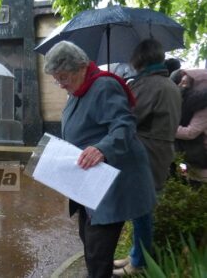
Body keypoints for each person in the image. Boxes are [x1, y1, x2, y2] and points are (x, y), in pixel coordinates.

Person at [43, 41, 156, 278]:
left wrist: (102, 148)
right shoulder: (78, 90)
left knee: (97, 249)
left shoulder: (103, 86)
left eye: (63, 77)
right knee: (89, 240)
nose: (61, 84)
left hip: (111, 183)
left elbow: (124, 125)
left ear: (81, 67)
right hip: (91, 182)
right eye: (57, 79)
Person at [112, 39, 182, 276]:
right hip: (160, 152)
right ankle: (135, 254)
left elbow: (129, 116)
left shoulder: (150, 85)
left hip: (147, 154)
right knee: (142, 209)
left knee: (141, 210)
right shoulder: (167, 83)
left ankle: (139, 263)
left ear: (139, 60)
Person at [175, 69, 207, 184]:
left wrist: (169, 128)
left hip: (202, 156)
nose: (182, 86)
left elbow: (191, 132)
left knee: (199, 187)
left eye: (185, 83)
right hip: (194, 154)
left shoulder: (203, 105)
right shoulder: (194, 103)